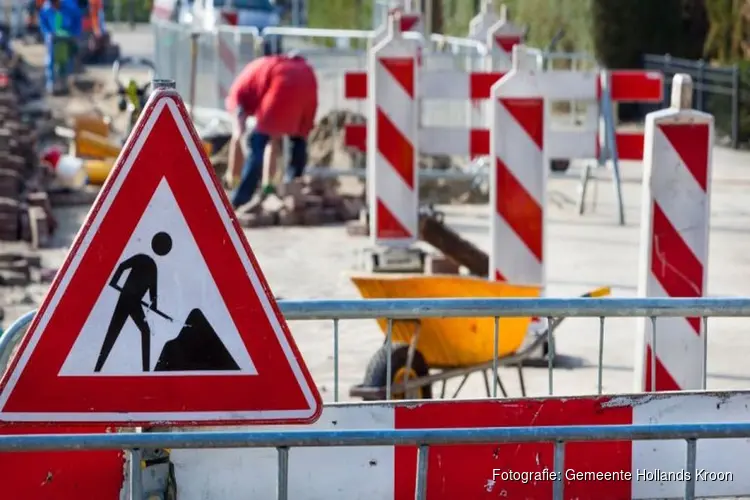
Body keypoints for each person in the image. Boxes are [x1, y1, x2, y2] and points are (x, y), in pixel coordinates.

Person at [223, 51, 318, 209]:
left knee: (257, 143)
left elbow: (237, 135)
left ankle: (241, 197)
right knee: (298, 138)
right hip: (307, 79)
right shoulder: (256, 73)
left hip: (281, 81)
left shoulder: (237, 94)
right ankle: (293, 186)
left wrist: (232, 176)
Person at [94, 232, 173, 373]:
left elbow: (153, 292)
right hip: (126, 299)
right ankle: (97, 369)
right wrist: (114, 281)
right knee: (113, 332)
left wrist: (153, 307)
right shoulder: (144, 260)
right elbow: (122, 266)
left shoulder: (151, 265)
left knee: (142, 331)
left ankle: (145, 372)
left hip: (134, 302)